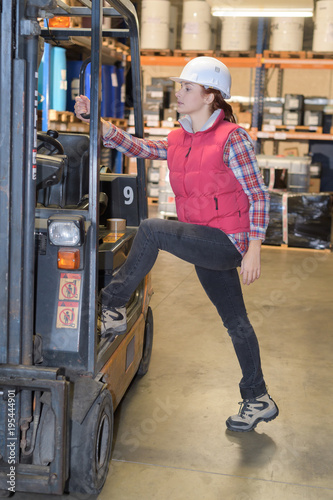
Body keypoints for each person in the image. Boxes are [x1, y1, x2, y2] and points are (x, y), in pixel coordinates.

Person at [74, 56, 278, 433]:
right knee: (237, 323)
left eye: (187, 87)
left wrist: (253, 249)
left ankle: (113, 307)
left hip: (228, 241)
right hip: (203, 237)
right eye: (179, 86)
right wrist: (99, 124)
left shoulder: (233, 139)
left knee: (152, 229)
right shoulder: (179, 137)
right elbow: (141, 148)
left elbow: (258, 195)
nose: (178, 92)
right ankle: (258, 397)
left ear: (211, 96)